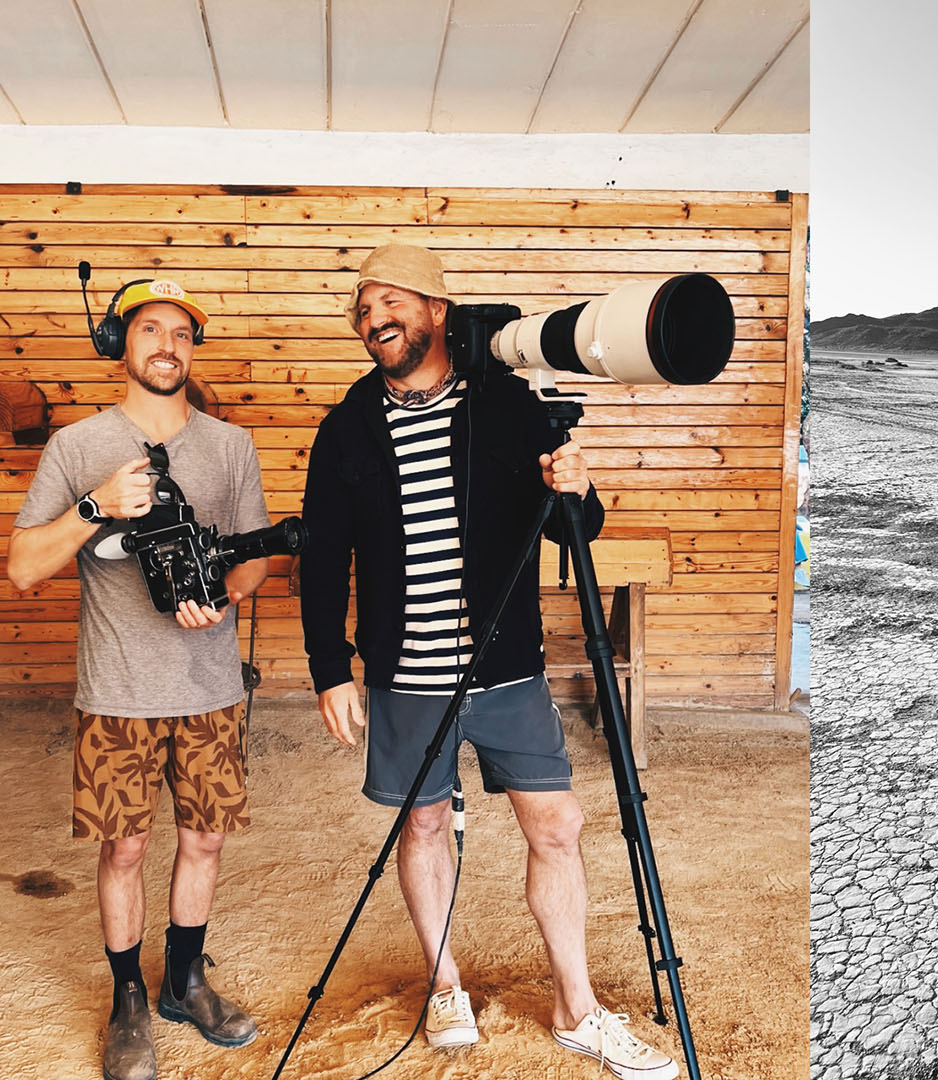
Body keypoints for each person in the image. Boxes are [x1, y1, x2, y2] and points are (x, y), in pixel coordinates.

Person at [299, 244, 678, 1080]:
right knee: (424, 821)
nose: (373, 320)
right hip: (406, 673)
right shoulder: (346, 426)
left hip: (506, 670)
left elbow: (572, 527)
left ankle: (575, 1006)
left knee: (558, 825)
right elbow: (323, 555)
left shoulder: (507, 404)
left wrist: (575, 487)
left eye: (389, 302)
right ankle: (444, 984)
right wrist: (331, 666)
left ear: (438, 310)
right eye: (362, 310)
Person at [6, 281, 267, 1080]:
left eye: (182, 333)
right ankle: (128, 999)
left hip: (211, 687)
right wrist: (97, 506)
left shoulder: (230, 447)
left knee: (206, 838)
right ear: (121, 342)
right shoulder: (78, 447)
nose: (167, 345)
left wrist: (220, 595)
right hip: (118, 691)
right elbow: (22, 570)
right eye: (150, 328)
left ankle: (185, 982)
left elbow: (255, 557)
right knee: (125, 848)